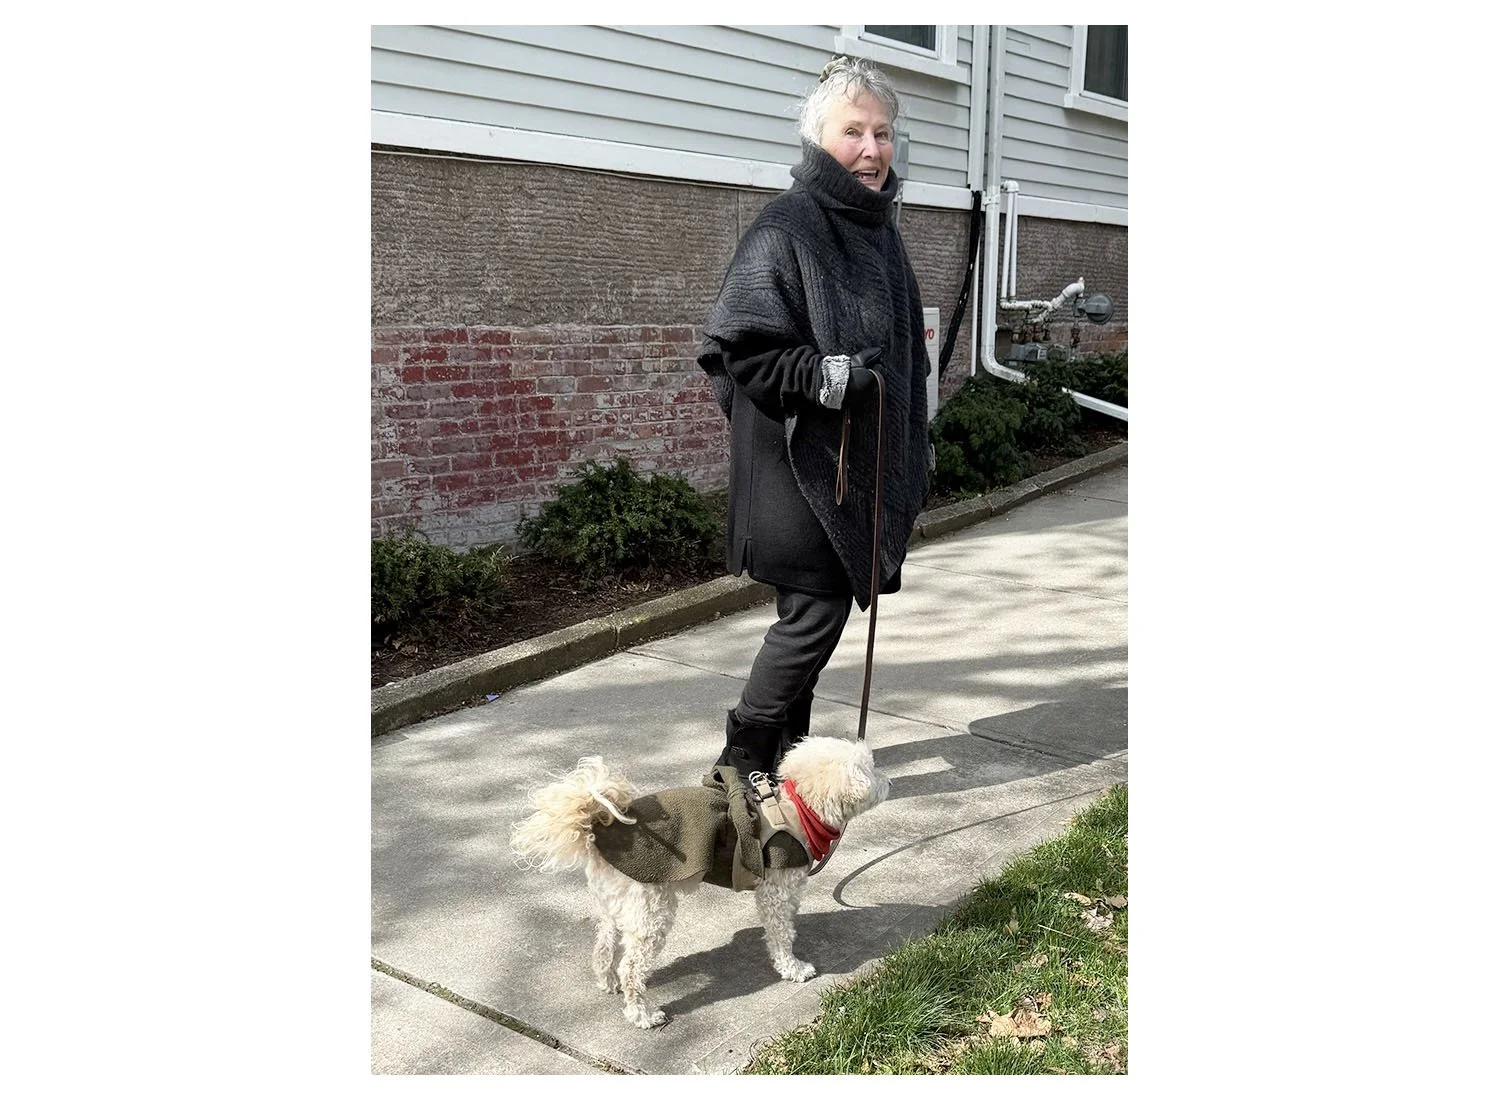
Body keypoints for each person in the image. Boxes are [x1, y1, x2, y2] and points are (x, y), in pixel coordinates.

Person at [697, 56, 932, 780]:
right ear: (818, 139)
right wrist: (833, 377)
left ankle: (780, 765)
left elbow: (905, 353)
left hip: (849, 466)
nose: (871, 149)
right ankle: (737, 765)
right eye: (853, 132)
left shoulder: (880, 230)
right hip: (793, 467)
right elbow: (745, 352)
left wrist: (909, 434)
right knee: (813, 618)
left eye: (883, 133)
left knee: (809, 623)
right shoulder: (787, 224)